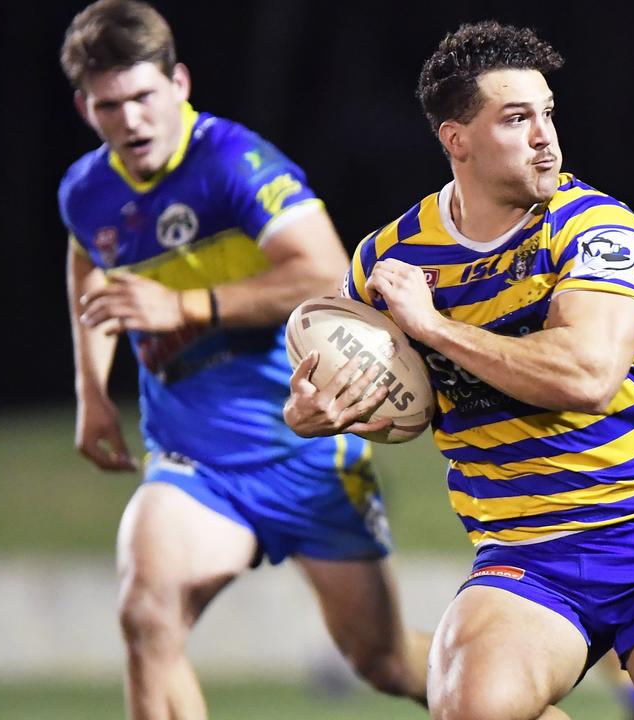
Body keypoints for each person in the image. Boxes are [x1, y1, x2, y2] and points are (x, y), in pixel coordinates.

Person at [282, 20, 634, 720]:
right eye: (517, 118)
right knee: (467, 705)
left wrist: (435, 328)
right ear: (458, 141)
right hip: (524, 555)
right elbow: (365, 378)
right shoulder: (390, 259)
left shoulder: (594, 227)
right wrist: (313, 409)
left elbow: (587, 375)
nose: (545, 134)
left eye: (548, 112)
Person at [57, 2, 429, 717]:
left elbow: (324, 274)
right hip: (194, 461)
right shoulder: (87, 191)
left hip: (306, 450)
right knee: (147, 616)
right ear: (85, 107)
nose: (131, 121)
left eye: (143, 97)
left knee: (383, 662)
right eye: (110, 106)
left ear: (179, 84)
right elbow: (87, 269)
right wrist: (92, 391)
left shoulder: (234, 163)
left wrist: (188, 307)